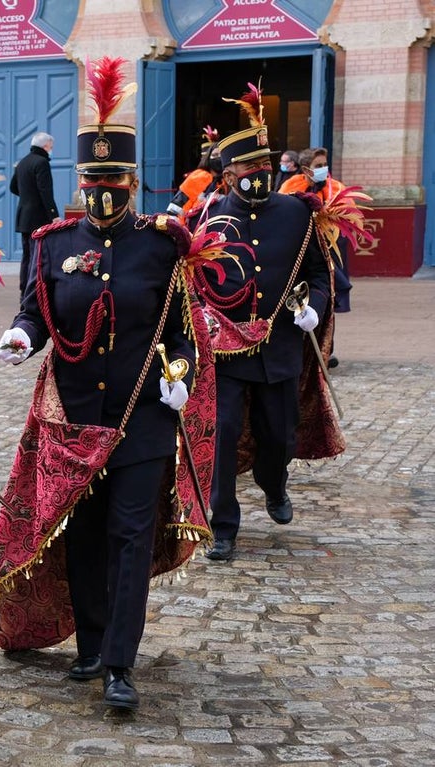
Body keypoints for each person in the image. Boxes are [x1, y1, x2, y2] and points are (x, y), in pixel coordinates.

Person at [0, 56, 211, 713]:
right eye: (94, 179)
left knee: (129, 532)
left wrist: (180, 377)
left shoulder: (163, 246)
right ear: (79, 181)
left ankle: (118, 660)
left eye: (116, 179)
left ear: (132, 182)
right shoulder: (53, 243)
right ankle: (88, 641)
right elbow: (37, 310)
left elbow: (182, 335)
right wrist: (23, 336)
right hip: (74, 416)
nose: (105, 189)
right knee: (80, 529)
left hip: (142, 415)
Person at [190, 83, 343, 563]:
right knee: (225, 431)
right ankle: (223, 526)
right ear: (229, 173)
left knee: (278, 433)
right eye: (246, 168)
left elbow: (320, 272)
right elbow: (191, 281)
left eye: (262, 166)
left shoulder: (297, 212)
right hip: (227, 348)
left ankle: (274, 484)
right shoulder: (208, 217)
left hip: (279, 344)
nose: (256, 174)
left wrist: (315, 306)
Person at [279, 147, 354, 361]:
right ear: (306, 169)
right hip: (299, 252)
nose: (323, 169)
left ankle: (326, 350)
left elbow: (348, 214)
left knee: (328, 296)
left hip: (329, 250)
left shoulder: (335, 187)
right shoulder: (291, 186)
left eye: (324, 164)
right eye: (318, 166)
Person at [10, 131, 58, 297]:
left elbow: (13, 188)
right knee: (38, 256)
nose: (51, 150)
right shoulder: (42, 162)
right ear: (45, 146)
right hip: (38, 218)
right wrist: (54, 215)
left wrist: (27, 197)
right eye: (51, 147)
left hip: (24, 217)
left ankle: (24, 290)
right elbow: (45, 191)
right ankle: (35, 291)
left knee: (27, 256)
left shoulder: (22, 162)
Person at [166, 125, 219, 217]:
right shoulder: (201, 176)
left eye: (221, 155)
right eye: (215, 155)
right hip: (192, 226)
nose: (219, 158)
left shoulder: (226, 179)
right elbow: (177, 206)